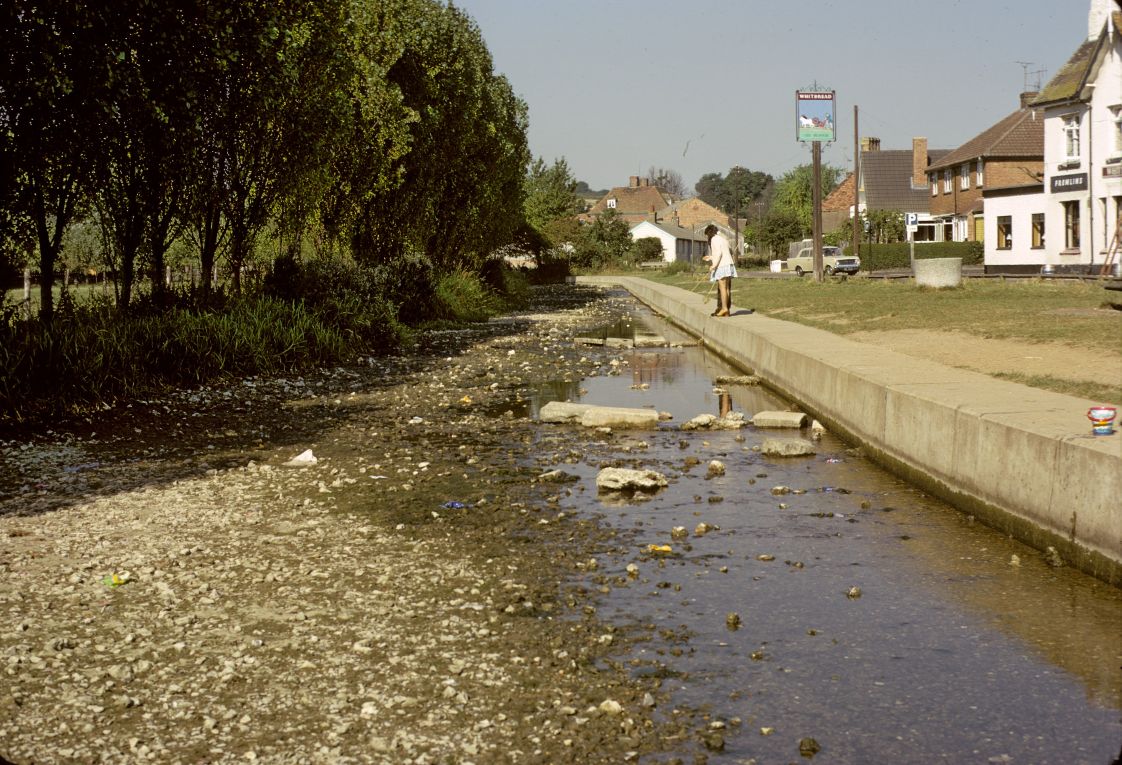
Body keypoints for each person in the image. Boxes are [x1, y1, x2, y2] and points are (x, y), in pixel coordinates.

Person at [702, 224, 737, 317]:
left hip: (722, 266)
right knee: (727, 288)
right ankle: (727, 310)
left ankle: (724, 308)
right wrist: (710, 257)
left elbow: (719, 253)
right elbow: (726, 251)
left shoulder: (714, 239)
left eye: (706, 235)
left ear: (709, 233)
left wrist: (713, 266)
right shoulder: (722, 239)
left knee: (722, 288)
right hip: (729, 265)